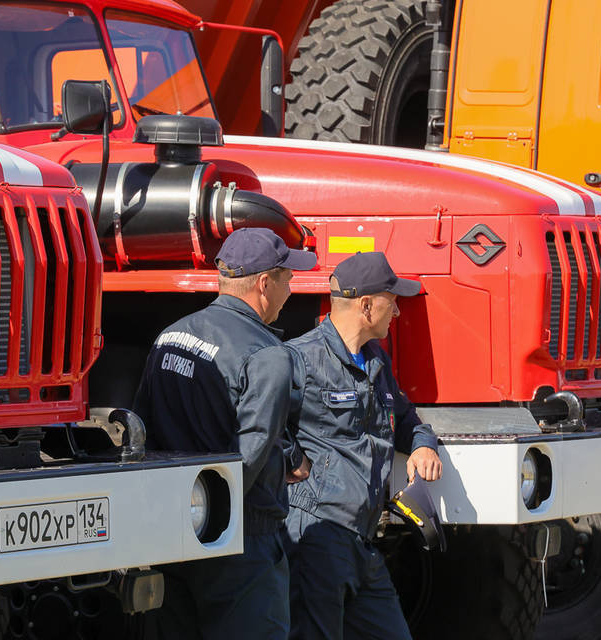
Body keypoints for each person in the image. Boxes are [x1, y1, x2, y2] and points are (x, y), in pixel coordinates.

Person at [134, 227, 316, 640]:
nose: (290, 292)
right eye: (288, 280)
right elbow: (251, 452)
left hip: (172, 529)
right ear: (264, 284)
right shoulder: (267, 355)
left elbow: (141, 428)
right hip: (239, 540)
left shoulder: (170, 336)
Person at [283, 251, 443, 640]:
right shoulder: (299, 358)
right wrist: (291, 458)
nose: (398, 312)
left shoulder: (376, 361)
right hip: (317, 537)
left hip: (363, 539)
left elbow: (405, 416)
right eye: (393, 302)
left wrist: (423, 444)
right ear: (366, 305)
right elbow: (257, 422)